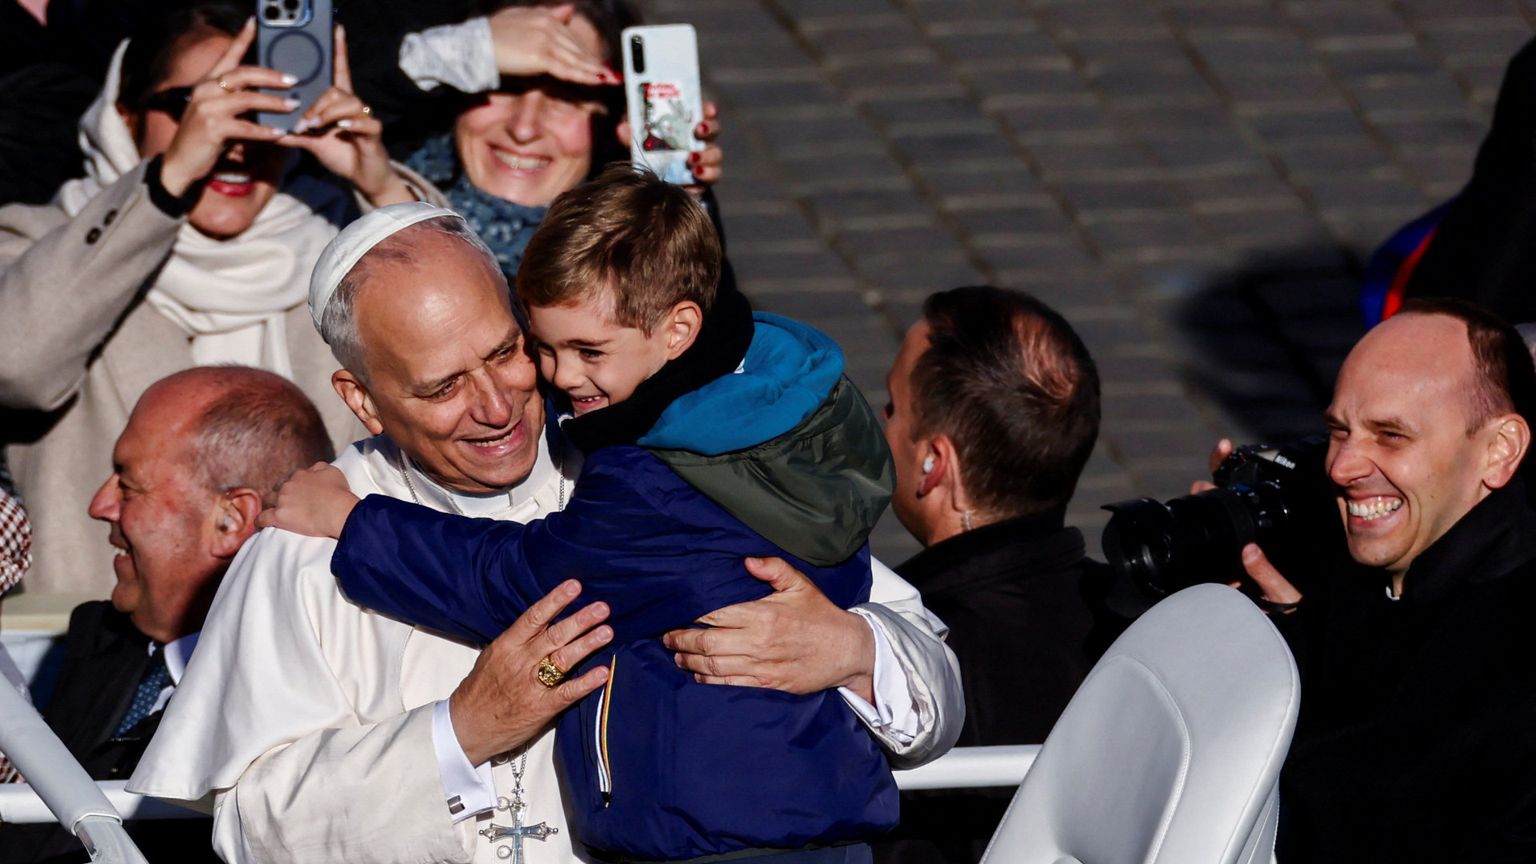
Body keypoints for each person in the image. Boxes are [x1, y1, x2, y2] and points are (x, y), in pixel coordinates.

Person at [129, 204, 963, 864]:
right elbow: (252, 830)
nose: (495, 406)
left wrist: (851, 649)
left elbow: (937, 690)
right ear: (362, 397)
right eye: (444, 385)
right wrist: (459, 732)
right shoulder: (304, 547)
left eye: (507, 354)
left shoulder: (666, 460)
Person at [0, 0, 430, 596]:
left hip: (311, 642)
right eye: (193, 106)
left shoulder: (347, 258)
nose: (232, 139)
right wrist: (166, 183)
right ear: (123, 116)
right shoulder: (41, 244)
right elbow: (15, 365)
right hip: (94, 655)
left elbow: (472, 361)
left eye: (260, 108)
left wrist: (379, 184)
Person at [1224, 299, 1536, 861]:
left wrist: (1283, 666)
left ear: (1499, 450)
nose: (1342, 467)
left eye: (1391, 436)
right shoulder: (1376, 570)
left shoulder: (1508, 657)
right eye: (1338, 431)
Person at [0, 366, 333, 864]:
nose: (99, 505)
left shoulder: (294, 711)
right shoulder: (105, 639)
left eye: (129, 486)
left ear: (229, 521)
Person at [870, 286, 1118, 864]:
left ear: (934, 462)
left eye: (891, 406)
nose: (881, 424)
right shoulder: (1134, 617)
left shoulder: (891, 660)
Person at [398, 0, 724, 283]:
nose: (524, 129)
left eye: (566, 96)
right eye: (503, 84)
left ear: (614, 120)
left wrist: (673, 211)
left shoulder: (631, 259)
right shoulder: (359, 196)